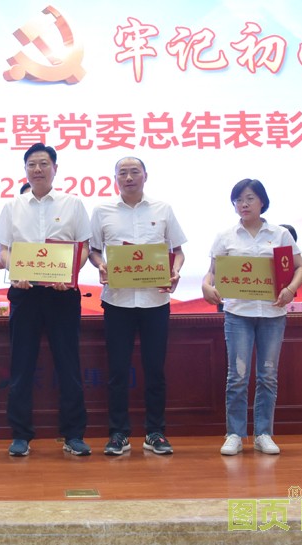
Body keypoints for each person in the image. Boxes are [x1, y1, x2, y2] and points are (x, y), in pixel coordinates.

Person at [0, 143, 92, 457]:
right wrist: (14, 270)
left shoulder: (73, 204)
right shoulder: (12, 206)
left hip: (62, 295)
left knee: (69, 365)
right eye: (32, 164)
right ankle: (21, 435)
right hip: (25, 294)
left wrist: (70, 275)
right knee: (21, 365)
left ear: (55, 168)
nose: (37, 169)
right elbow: (4, 250)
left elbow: (84, 248)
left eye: (44, 164)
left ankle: (73, 434)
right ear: (25, 170)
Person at [88, 157, 186, 456]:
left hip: (155, 301)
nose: (129, 177)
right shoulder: (102, 211)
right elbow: (93, 251)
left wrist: (175, 271)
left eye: (134, 172)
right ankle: (118, 433)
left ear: (145, 175)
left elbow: (177, 251)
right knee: (118, 370)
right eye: (123, 173)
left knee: (155, 369)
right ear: (115, 178)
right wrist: (101, 265)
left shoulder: (162, 209)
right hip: (117, 301)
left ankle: (155, 432)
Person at [202, 179, 302, 456]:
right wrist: (206, 285)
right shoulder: (226, 236)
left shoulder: (280, 234)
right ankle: (235, 434)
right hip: (238, 313)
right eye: (238, 200)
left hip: (272, 312)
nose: (243, 204)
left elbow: (300, 268)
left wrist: (290, 289)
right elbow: (213, 272)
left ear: (262, 201)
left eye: (249, 198)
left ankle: (263, 434)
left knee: (267, 376)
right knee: (237, 376)